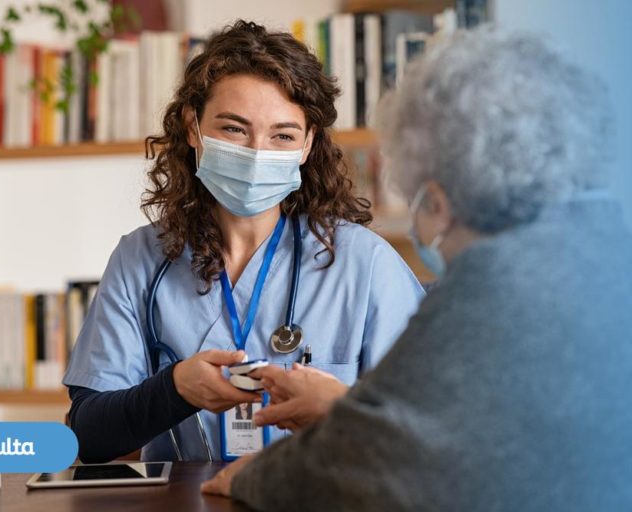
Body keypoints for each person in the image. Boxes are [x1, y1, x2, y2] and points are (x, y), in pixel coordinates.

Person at [201, 27, 632, 510]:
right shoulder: (606, 246)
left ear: (439, 204)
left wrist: (251, 478)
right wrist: (343, 409)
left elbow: (384, 462)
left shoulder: (490, 285)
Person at [62, 20, 424, 463]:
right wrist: (175, 389)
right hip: (188, 496)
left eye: (283, 135)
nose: (257, 153)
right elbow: (88, 435)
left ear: (307, 145)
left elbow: (431, 430)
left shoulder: (364, 263)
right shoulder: (141, 260)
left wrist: (339, 411)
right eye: (234, 129)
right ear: (192, 126)